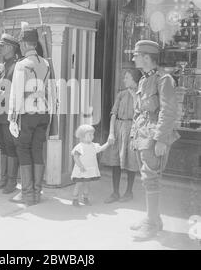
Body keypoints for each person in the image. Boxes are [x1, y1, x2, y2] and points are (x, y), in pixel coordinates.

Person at [130, 40, 180, 240]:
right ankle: (154, 218)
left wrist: (160, 139)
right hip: (143, 134)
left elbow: (168, 111)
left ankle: (151, 224)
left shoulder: (164, 79)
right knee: (146, 178)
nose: (133, 58)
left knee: (151, 179)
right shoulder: (144, 80)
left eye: (136, 55)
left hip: (153, 136)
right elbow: (139, 110)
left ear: (147, 57)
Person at [8, 27, 56, 206]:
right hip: (43, 114)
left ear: (25, 43)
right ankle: (37, 192)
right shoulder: (46, 63)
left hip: (26, 114)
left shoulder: (22, 64)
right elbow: (52, 91)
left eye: (20, 43)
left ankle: (27, 194)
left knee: (23, 150)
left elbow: (17, 93)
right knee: (37, 151)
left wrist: (12, 118)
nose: (19, 46)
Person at [0, 33, 22, 194]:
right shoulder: (1, 66)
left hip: (9, 114)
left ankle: (11, 181)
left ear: (11, 48)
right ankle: (3, 178)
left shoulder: (16, 66)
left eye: (2, 46)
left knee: (10, 146)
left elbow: (18, 91)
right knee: (2, 146)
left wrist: (3, 94)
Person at [104, 69, 142, 204]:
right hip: (118, 128)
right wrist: (111, 133)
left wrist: (135, 97)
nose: (124, 80)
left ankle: (129, 192)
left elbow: (142, 112)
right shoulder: (121, 94)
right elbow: (113, 114)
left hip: (133, 129)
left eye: (127, 77)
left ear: (134, 79)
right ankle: (115, 192)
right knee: (115, 161)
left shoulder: (140, 95)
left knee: (131, 161)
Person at [71, 125, 111, 207]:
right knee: (78, 184)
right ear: (82, 136)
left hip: (89, 169)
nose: (92, 136)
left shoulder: (93, 145)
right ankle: (75, 199)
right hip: (81, 169)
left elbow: (100, 149)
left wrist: (108, 144)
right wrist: (80, 166)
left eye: (92, 134)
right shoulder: (80, 147)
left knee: (87, 184)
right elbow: (76, 157)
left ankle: (85, 198)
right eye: (89, 135)